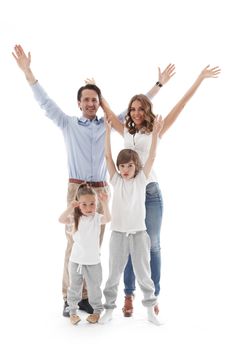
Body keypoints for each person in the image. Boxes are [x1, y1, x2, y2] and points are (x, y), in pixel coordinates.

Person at [12, 43, 175, 317]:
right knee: (73, 243)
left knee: (93, 245)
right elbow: (44, 102)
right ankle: (69, 298)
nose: (90, 104)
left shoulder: (107, 125)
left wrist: (159, 84)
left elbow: (136, 108)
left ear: (99, 104)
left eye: (94, 100)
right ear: (79, 103)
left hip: (101, 189)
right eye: (86, 100)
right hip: (77, 188)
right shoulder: (67, 123)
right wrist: (29, 73)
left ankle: (88, 297)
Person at [102, 64, 221, 317]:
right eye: (132, 109)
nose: (134, 113)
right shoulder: (125, 131)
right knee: (128, 242)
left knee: (152, 245)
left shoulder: (157, 129)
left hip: (151, 192)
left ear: (147, 111)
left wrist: (199, 79)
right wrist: (96, 92)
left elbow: (181, 105)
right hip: (128, 194)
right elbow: (110, 114)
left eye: (139, 109)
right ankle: (128, 295)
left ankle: (152, 297)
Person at [99, 115, 163, 325]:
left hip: (138, 234)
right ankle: (108, 309)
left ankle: (150, 311)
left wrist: (155, 135)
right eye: (122, 166)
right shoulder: (117, 180)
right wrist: (108, 133)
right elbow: (108, 157)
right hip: (118, 234)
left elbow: (152, 156)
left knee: (144, 274)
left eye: (129, 166)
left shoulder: (142, 180)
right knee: (113, 274)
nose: (125, 170)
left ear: (136, 166)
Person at [59, 184, 111, 324]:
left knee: (94, 288)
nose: (89, 208)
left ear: (96, 203)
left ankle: (97, 311)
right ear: (79, 204)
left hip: (93, 262)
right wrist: (71, 206)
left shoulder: (96, 218)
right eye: (84, 204)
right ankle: (73, 312)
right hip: (76, 261)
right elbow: (61, 219)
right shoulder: (76, 218)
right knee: (74, 288)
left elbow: (108, 219)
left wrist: (105, 203)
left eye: (92, 204)